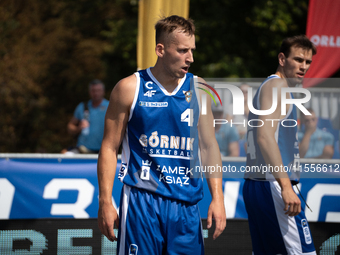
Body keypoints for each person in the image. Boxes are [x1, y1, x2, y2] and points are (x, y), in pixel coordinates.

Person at [97, 15, 226, 255]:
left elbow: (209, 146)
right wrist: (105, 200)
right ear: (160, 49)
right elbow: (108, 147)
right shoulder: (129, 88)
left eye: (192, 50)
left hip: (186, 205)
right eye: (183, 50)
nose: (191, 58)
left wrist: (217, 198)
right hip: (141, 202)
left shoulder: (200, 89)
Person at [243, 35, 317, 254]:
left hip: (260, 183)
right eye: (298, 60)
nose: (304, 66)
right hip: (273, 184)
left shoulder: (275, 87)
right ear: (282, 59)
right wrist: (285, 186)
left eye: (308, 62)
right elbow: (264, 137)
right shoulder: (276, 86)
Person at [65, 79, 109, 154]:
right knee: (67, 155)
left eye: (98, 90)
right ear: (89, 92)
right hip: (83, 148)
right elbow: (70, 126)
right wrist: (78, 128)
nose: (96, 93)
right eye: (93, 90)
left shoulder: (110, 106)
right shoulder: (83, 106)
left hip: (103, 150)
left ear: (103, 91)